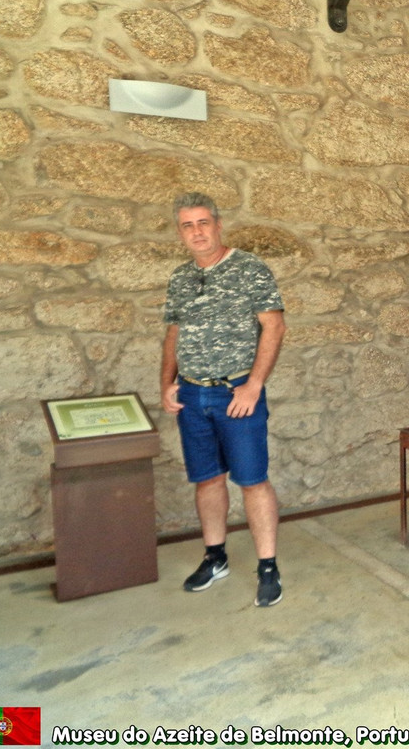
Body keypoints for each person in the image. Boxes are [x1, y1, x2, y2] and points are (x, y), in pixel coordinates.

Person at [160, 192, 287, 607]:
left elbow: (274, 327)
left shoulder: (249, 268)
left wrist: (253, 385)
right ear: (181, 232)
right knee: (207, 479)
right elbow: (174, 334)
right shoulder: (180, 278)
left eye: (203, 223)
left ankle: (268, 566)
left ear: (217, 225)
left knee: (252, 481)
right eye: (187, 225)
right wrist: (168, 383)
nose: (197, 232)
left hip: (237, 394)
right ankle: (215, 557)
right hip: (193, 395)